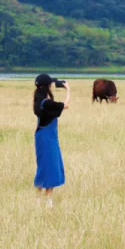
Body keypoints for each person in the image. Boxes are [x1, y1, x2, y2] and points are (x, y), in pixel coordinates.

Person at [32, 73, 69, 202]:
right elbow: (66, 105)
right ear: (47, 87)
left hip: (45, 137)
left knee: (46, 165)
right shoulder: (46, 103)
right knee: (50, 166)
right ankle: (46, 199)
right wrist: (68, 90)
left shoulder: (40, 102)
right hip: (47, 138)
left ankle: (42, 198)